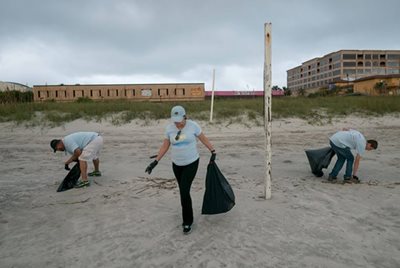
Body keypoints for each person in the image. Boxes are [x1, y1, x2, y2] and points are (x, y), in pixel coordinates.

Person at [145, 105, 216, 235]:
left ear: (184, 116)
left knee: (184, 191)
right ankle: (188, 216)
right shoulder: (169, 128)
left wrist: (212, 150)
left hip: (191, 162)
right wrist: (155, 162)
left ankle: (187, 221)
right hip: (176, 164)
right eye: (175, 119)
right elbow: (165, 146)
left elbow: (203, 138)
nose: (177, 121)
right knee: (183, 192)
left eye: (179, 118)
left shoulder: (193, 126)